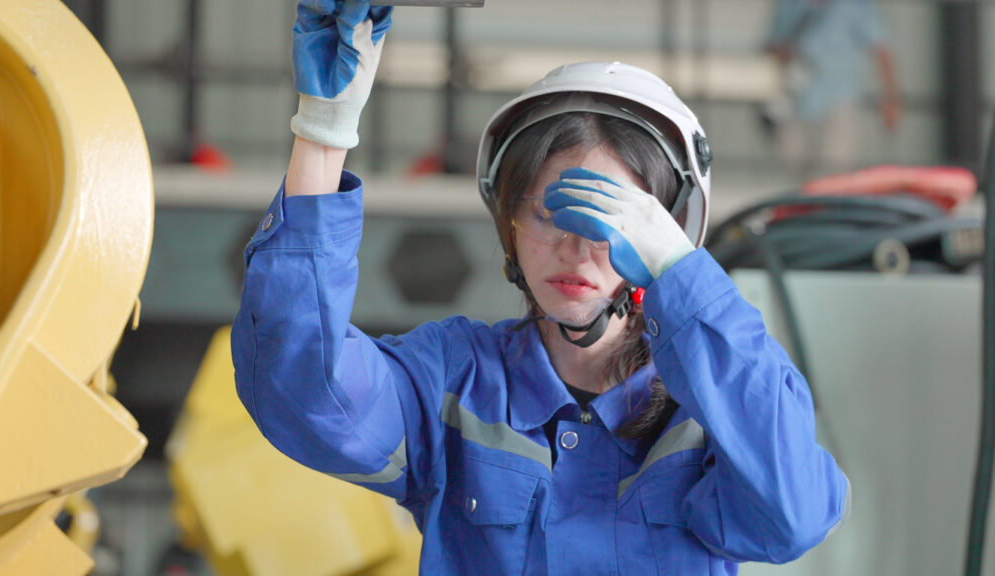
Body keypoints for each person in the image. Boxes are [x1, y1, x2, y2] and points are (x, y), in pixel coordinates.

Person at [232, 1, 849, 573]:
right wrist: (323, 133)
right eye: (550, 212)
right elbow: (304, 389)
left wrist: (681, 276)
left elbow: (792, 513)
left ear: (671, 230)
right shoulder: (455, 385)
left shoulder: (710, 411)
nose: (575, 247)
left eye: (610, 219)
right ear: (509, 224)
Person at [763, 0, 901, 182]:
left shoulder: (855, 5)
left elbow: (881, 48)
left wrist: (891, 99)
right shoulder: (790, 4)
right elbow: (773, 43)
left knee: (835, 175)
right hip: (795, 103)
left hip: (839, 101)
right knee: (796, 174)